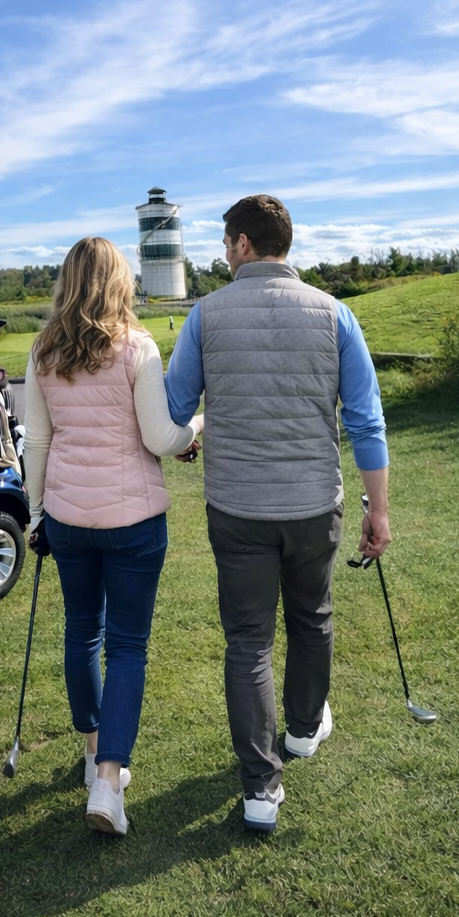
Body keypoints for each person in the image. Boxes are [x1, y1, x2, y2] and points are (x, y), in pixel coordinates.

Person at [165, 194, 390, 833]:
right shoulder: (334, 314)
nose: (223, 250)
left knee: (248, 641)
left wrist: (200, 428)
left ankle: (261, 787)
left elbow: (175, 410)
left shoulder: (205, 316)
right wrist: (381, 511)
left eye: (226, 240)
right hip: (314, 504)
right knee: (312, 617)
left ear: (242, 244)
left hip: (236, 507)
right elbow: (367, 422)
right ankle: (300, 731)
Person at [23, 236, 202, 836]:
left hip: (69, 518)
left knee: (82, 631)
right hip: (132, 524)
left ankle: (92, 750)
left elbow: (38, 443)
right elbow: (161, 438)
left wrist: (35, 511)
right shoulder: (137, 347)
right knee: (126, 645)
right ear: (120, 281)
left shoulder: (44, 351)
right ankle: (107, 778)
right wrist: (195, 425)